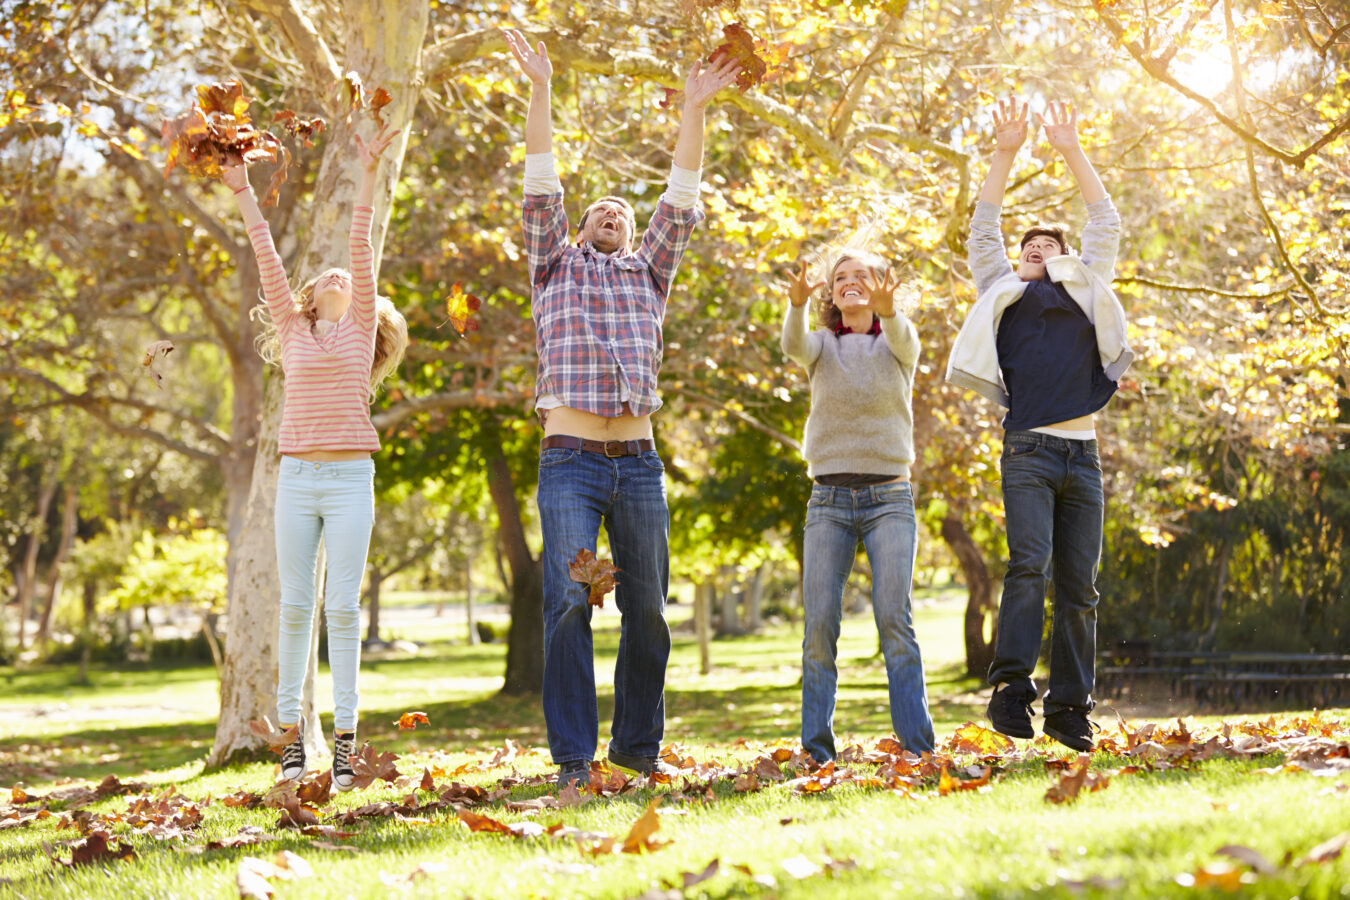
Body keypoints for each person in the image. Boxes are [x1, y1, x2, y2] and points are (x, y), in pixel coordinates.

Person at [502, 27, 740, 789]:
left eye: (620, 211)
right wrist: (540, 87)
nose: (610, 210)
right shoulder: (553, 267)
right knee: (570, 601)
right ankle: (574, 761)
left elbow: (682, 196)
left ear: (635, 236)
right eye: (596, 207)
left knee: (650, 612)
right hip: (569, 460)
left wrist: (694, 109)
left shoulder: (649, 275)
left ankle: (637, 752)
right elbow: (541, 184)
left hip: (638, 464)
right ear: (575, 229)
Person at [222, 123, 409, 788]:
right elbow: (265, 249)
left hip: (351, 476)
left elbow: (359, 242)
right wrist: (242, 188)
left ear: (361, 297)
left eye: (347, 275)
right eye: (323, 273)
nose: (334, 270)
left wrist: (367, 166)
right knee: (296, 605)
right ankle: (296, 740)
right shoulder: (294, 327)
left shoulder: (359, 329)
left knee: (343, 608)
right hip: (297, 478)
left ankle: (349, 741)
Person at [946, 97, 1133, 751]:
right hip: (1028, 450)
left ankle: (1069, 709)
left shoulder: (1087, 287)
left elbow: (1105, 219)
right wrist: (1003, 153)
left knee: (1080, 587)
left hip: (1084, 454)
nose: (1038, 249)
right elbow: (983, 231)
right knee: (1028, 568)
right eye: (1031, 245)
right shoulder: (1004, 290)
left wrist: (1069, 148)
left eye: (1050, 243)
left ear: (1067, 256)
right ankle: (1010, 693)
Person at [782, 251, 936, 762]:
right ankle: (816, 752)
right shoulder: (822, 344)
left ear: (879, 286)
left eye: (860, 276)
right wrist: (797, 306)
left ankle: (917, 749)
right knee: (820, 626)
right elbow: (793, 345)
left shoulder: (897, 342)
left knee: (895, 619)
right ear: (831, 293)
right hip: (828, 500)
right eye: (840, 278)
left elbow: (904, 339)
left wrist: (890, 312)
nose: (849, 283)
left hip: (889, 498)